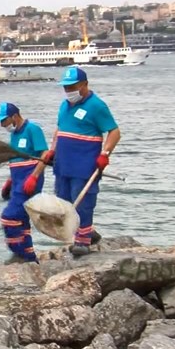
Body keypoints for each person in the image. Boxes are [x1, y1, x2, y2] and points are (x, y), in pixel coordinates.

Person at [30, 67, 120, 256]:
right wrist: (52, 151)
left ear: (85, 84)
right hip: (63, 163)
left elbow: (114, 132)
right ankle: (86, 231)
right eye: (66, 87)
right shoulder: (64, 105)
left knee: (83, 201)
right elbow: (59, 130)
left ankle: (83, 241)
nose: (69, 91)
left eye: (73, 86)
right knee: (64, 202)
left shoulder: (97, 106)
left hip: (84, 163)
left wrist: (105, 154)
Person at [0, 102, 48, 264]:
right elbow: (15, 160)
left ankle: (19, 253)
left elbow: (45, 153)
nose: (2, 125)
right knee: (21, 221)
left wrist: (35, 176)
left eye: (4, 121)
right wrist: (9, 181)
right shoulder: (14, 135)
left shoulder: (32, 129)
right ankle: (29, 257)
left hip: (29, 181)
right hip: (17, 181)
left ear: (14, 116)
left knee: (9, 217)